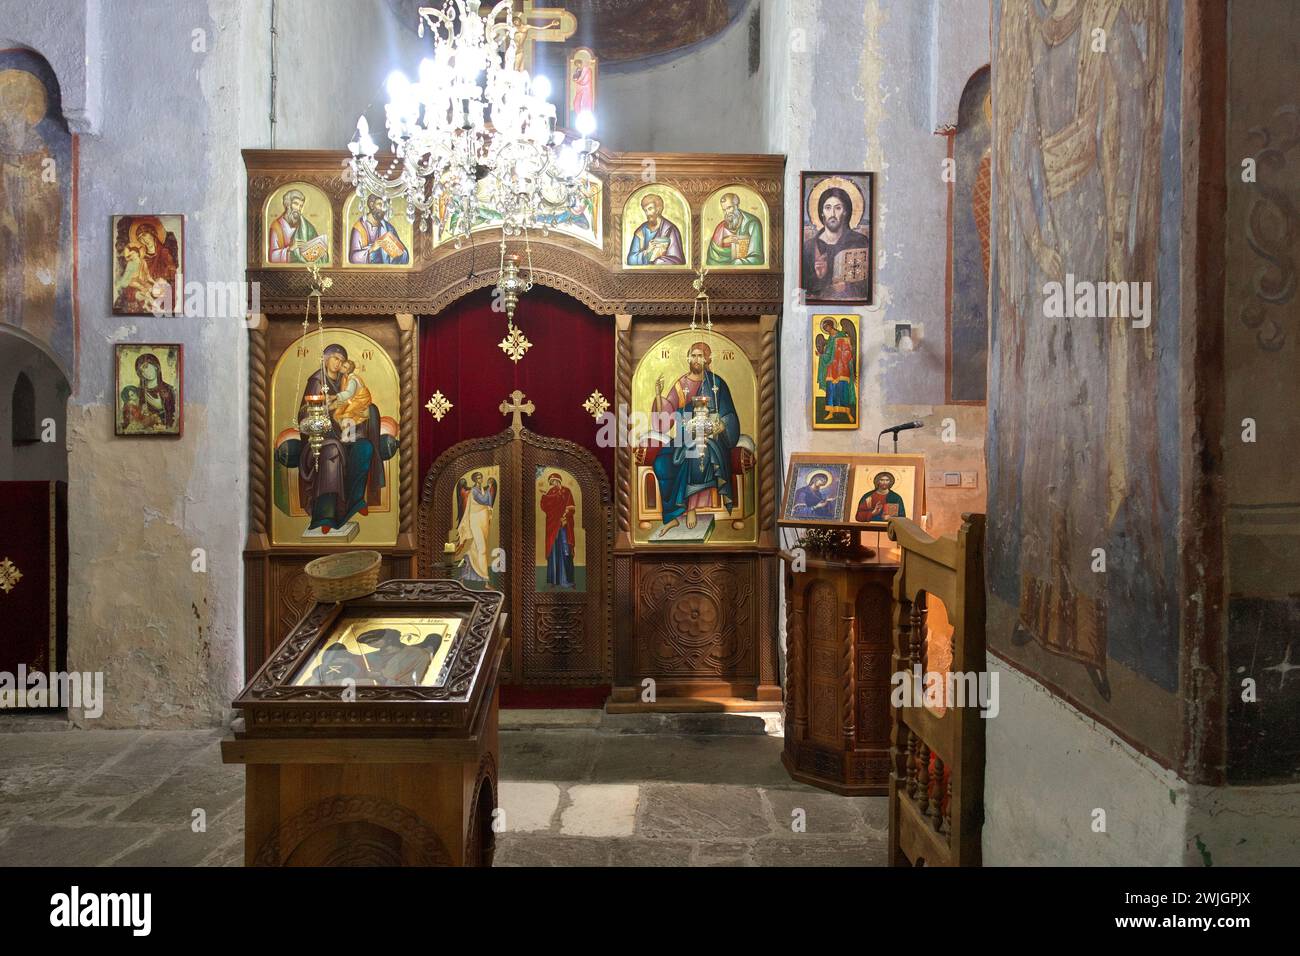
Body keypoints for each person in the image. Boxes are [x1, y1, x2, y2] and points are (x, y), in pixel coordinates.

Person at [638, 341, 753, 535]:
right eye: (693, 355)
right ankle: (672, 517)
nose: (697, 359)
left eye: (701, 355)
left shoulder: (717, 384)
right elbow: (665, 420)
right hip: (684, 436)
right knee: (661, 462)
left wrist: (719, 426)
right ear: (688, 358)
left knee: (694, 454)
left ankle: (691, 509)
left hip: (711, 437)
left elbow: (729, 414)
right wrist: (658, 396)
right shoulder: (681, 384)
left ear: (708, 359)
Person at [297, 344, 385, 534]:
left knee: (365, 447)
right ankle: (325, 515)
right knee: (332, 451)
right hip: (321, 440)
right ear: (326, 359)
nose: (338, 363)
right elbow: (304, 414)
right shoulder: (317, 381)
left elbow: (355, 402)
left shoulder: (346, 381)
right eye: (335, 358)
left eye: (342, 360)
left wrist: (367, 411)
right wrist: (321, 411)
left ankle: (355, 502)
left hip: (345, 435)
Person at [802, 185, 870, 299]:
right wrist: (819, 276)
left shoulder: (859, 242)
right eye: (828, 208)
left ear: (845, 212)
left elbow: (867, 285)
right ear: (822, 212)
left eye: (838, 208)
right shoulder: (809, 247)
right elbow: (805, 291)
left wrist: (847, 286)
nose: (832, 214)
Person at [454, 472, 497, 586]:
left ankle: (462, 576)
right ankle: (486, 582)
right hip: (475, 522)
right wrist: (490, 488)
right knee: (482, 549)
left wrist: (488, 488)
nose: (480, 479)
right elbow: (484, 501)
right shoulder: (474, 491)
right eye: (478, 477)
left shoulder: (482, 489)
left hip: (483, 522)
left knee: (473, 549)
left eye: (481, 477)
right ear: (474, 479)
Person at [268, 188, 328, 264]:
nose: (298, 209)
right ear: (288, 204)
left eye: (301, 206)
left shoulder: (306, 226)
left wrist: (321, 251)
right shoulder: (276, 227)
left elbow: (317, 247)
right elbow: (272, 257)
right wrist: (291, 249)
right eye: (295, 204)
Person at [815, 317, 857, 422]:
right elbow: (828, 355)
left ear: (831, 325)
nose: (826, 329)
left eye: (827, 327)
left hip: (842, 368)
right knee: (831, 390)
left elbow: (848, 351)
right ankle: (831, 412)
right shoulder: (829, 340)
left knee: (843, 390)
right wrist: (821, 355)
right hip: (831, 368)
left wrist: (841, 355)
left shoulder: (842, 335)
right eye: (824, 328)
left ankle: (848, 413)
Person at [540, 472, 576, 588]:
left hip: (564, 526)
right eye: (551, 482)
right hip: (553, 526)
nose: (553, 484)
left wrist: (565, 516)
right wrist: (545, 497)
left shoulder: (567, 491)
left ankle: (569, 581)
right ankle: (554, 581)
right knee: (553, 551)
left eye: (554, 481)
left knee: (566, 551)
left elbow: (572, 507)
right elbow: (545, 507)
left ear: (559, 481)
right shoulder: (551, 492)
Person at [348, 194, 409, 264]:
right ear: (371, 205)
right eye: (380, 204)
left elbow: (404, 256)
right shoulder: (359, 228)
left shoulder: (388, 228)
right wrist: (372, 248)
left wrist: (396, 250)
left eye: (385, 206)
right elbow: (353, 258)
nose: (383, 209)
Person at [706, 192, 765, 266]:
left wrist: (736, 263)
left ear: (736, 205)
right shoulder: (722, 226)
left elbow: (757, 258)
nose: (727, 212)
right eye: (724, 210)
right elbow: (713, 251)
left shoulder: (752, 223)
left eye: (729, 208)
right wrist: (724, 241)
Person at [626, 193, 685, 265]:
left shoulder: (670, 229)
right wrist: (647, 251)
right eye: (645, 210)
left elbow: (677, 260)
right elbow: (631, 260)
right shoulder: (640, 231)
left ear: (658, 209)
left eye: (650, 209)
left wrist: (657, 261)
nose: (648, 213)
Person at [133, 353, 177, 430]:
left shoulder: (169, 389)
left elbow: (173, 419)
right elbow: (137, 419)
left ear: (155, 366)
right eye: (142, 371)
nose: (145, 373)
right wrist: (142, 412)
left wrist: (161, 407)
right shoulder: (141, 392)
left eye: (146, 367)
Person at [330, 359, 373, 425]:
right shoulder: (344, 377)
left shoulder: (352, 379)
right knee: (337, 413)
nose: (342, 368)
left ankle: (348, 430)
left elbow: (349, 393)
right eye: (343, 366)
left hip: (361, 400)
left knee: (347, 413)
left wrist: (335, 396)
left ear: (348, 370)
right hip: (351, 399)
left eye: (345, 367)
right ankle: (342, 431)